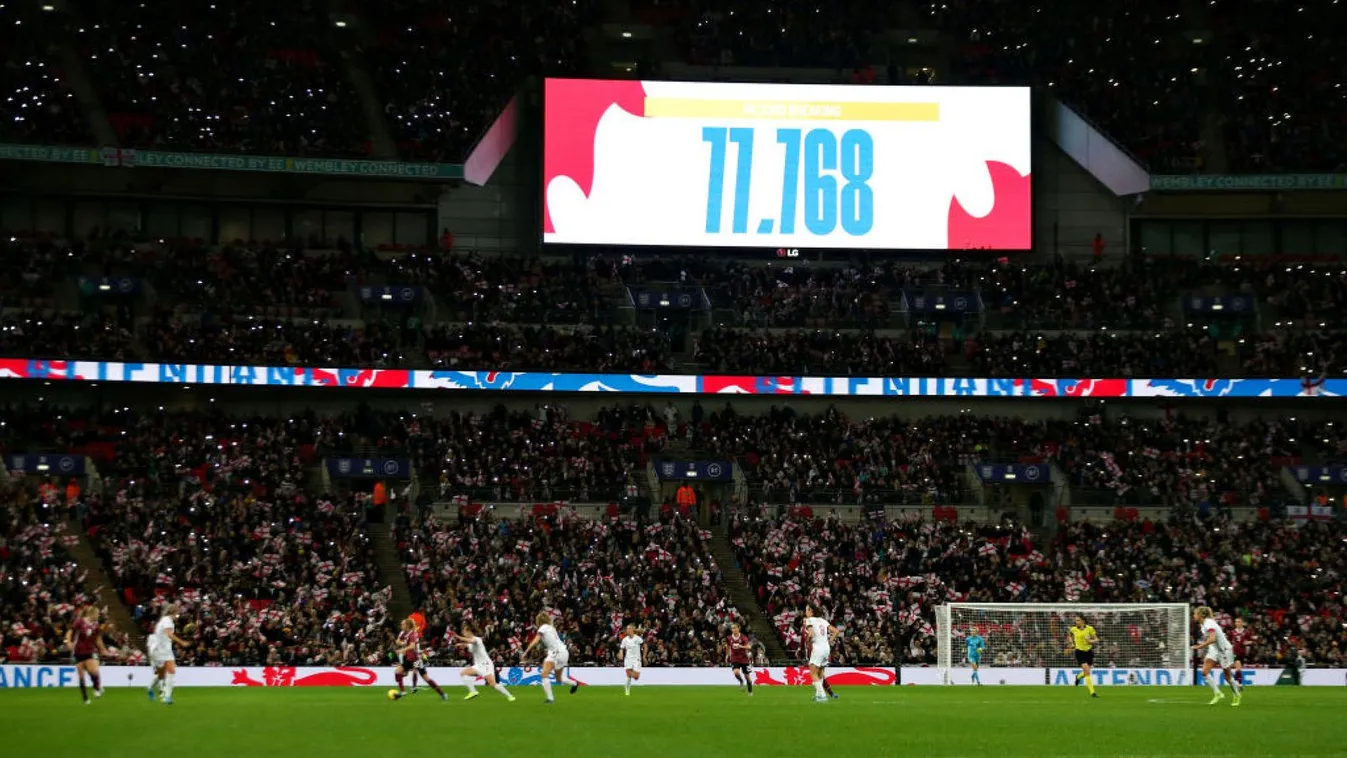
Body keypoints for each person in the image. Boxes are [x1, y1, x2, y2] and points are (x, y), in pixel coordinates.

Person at [522, 612, 579, 704]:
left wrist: (526, 652)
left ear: (539, 621)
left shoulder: (543, 627)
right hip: (564, 653)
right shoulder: (551, 628)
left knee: (544, 674)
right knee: (558, 679)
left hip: (555, 653)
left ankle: (550, 698)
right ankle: (574, 683)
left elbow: (536, 640)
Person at [450, 623, 515, 702]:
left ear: (469, 631)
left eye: (464, 631)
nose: (463, 633)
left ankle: (510, 696)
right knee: (463, 673)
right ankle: (473, 691)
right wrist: (460, 645)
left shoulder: (477, 639)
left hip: (486, 665)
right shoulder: (471, 642)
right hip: (478, 666)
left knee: (492, 684)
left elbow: (472, 641)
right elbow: (468, 644)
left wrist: (458, 637)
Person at [1191, 606, 1242, 707]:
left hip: (1224, 651)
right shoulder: (1203, 624)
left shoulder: (1209, 623)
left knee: (1227, 677)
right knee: (1205, 672)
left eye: (1195, 614)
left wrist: (1199, 646)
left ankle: (1237, 695)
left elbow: (1213, 638)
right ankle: (1218, 693)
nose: (1194, 616)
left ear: (1200, 615)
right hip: (1214, 650)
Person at [392, 618, 446, 701]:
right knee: (400, 672)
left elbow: (412, 646)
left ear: (407, 625)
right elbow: (397, 641)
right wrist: (403, 643)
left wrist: (402, 650)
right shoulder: (404, 633)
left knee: (424, 678)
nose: (401, 625)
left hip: (415, 659)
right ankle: (443, 694)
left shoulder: (413, 634)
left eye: (402, 624)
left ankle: (403, 691)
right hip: (411, 659)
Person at [146, 603, 190, 705]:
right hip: (159, 650)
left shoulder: (165, 620)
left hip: (162, 650)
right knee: (164, 673)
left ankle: (164, 695)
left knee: (166, 673)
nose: (178, 616)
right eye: (177, 613)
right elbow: (169, 634)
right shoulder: (167, 620)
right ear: (174, 612)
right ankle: (162, 694)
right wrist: (182, 642)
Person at [66, 606, 106, 704]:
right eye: (97, 614)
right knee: (81, 676)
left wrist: (102, 649)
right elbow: (69, 632)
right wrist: (68, 642)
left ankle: (96, 688)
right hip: (78, 652)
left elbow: (97, 639)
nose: (98, 616)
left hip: (90, 651)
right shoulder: (80, 622)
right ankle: (85, 698)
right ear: (92, 614)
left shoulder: (96, 625)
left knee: (94, 671)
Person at [803, 604, 839, 703]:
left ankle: (822, 695)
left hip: (818, 647)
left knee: (813, 672)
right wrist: (829, 641)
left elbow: (811, 634)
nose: (805, 612)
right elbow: (836, 631)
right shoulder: (823, 620)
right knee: (820, 673)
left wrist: (807, 641)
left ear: (811, 611)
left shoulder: (809, 620)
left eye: (806, 610)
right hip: (826, 648)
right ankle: (818, 695)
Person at [1066, 614, 1099, 698]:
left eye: (1078, 620)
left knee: (1086, 672)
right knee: (1087, 672)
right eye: (1075, 620)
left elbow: (1096, 639)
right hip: (1079, 652)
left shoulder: (1090, 629)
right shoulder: (1073, 629)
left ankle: (1078, 676)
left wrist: (1090, 641)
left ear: (1083, 621)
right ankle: (1093, 692)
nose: (1076, 622)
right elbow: (1069, 636)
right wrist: (1071, 643)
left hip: (1089, 652)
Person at [725, 622, 754, 696]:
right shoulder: (729, 637)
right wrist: (727, 655)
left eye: (735, 628)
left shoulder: (743, 637)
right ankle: (741, 681)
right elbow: (728, 646)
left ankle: (750, 692)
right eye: (732, 628)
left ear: (738, 628)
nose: (733, 629)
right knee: (736, 672)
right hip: (735, 658)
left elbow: (749, 647)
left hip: (744, 658)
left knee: (747, 677)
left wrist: (740, 646)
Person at [619, 625, 644, 696]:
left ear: (633, 630)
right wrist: (621, 653)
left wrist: (644, 656)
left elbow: (644, 645)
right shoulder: (625, 639)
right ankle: (627, 691)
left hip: (636, 659)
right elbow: (621, 648)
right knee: (628, 677)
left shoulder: (638, 638)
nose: (628, 630)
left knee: (636, 677)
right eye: (627, 629)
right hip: (628, 659)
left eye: (629, 629)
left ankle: (629, 673)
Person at [1229, 616, 1254, 682]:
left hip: (1242, 652)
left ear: (1242, 623)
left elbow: (1252, 641)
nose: (1237, 623)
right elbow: (1229, 641)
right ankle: (1239, 683)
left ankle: (1236, 681)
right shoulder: (1232, 632)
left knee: (1238, 668)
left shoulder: (1247, 632)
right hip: (1234, 652)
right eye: (1236, 622)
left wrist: (1246, 642)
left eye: (1239, 622)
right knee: (1238, 664)